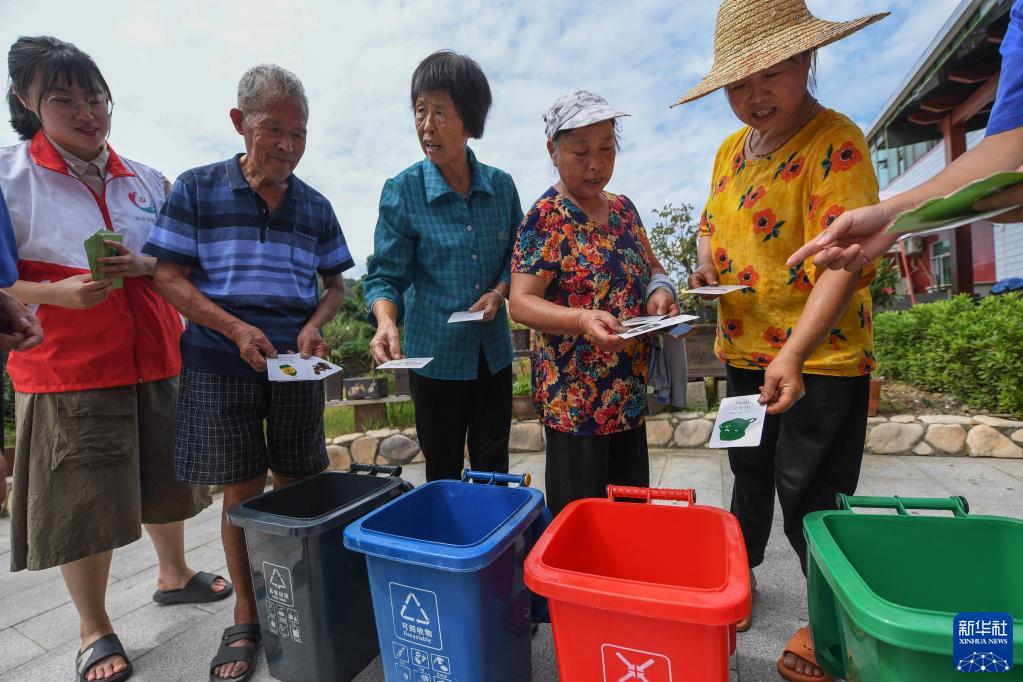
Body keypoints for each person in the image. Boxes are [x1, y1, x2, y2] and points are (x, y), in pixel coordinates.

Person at [0, 36, 228, 682]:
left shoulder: (148, 180)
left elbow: (183, 263)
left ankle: (174, 572)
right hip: (68, 367)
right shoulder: (8, 179)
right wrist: (56, 293)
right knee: (85, 495)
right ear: (25, 101)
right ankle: (93, 625)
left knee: (165, 475)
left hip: (156, 352)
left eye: (96, 97)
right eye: (64, 99)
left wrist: (149, 264)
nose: (87, 112)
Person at [671, 1, 887, 679]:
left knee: (810, 494)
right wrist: (705, 258)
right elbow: (710, 222)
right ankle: (739, 579)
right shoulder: (729, 151)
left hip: (816, 358)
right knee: (748, 474)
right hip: (743, 351)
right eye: (736, 85)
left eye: (768, 74)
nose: (753, 96)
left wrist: (792, 352)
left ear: (805, 59)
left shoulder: (835, 143)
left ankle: (832, 626)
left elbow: (846, 259)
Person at [143, 64, 354, 682]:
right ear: (240, 124)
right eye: (273, 129)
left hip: (294, 364)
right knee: (241, 486)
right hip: (217, 359)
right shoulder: (198, 188)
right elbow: (167, 275)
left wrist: (316, 323)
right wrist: (234, 328)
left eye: (299, 133)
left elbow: (336, 285)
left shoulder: (315, 205)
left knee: (296, 481)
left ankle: (300, 596)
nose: (287, 145)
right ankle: (245, 612)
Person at [509, 90, 679, 516]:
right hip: (575, 405)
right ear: (553, 150)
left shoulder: (624, 211)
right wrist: (583, 320)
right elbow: (521, 303)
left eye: (607, 149)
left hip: (627, 397)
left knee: (629, 514)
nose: (596, 163)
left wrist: (660, 293)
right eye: (581, 151)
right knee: (581, 521)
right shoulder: (546, 218)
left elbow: (653, 269)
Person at [364, 51, 522, 481]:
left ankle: (495, 546)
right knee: (443, 469)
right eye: (420, 111)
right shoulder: (403, 192)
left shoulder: (502, 187)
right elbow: (385, 276)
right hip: (435, 358)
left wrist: (500, 291)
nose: (426, 126)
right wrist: (385, 322)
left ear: (470, 120)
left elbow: (518, 256)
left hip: (492, 355)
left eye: (440, 112)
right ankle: (449, 547)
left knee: (494, 467)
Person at [789, 0, 1023, 271]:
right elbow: (1007, 145)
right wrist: (892, 213)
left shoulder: (835, 136)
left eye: (771, 74)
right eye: (737, 85)